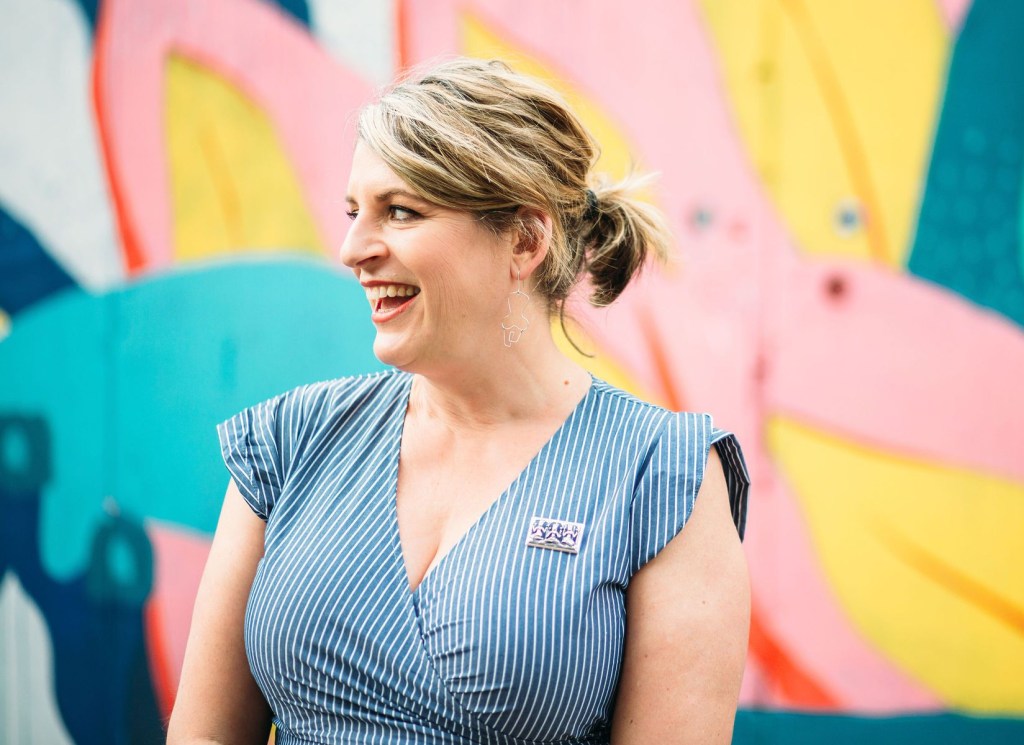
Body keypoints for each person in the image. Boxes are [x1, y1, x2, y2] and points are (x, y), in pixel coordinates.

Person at [167, 58, 750, 745]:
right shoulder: (292, 440)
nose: (353, 249)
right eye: (354, 212)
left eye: (401, 211)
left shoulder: (664, 477)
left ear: (525, 240)